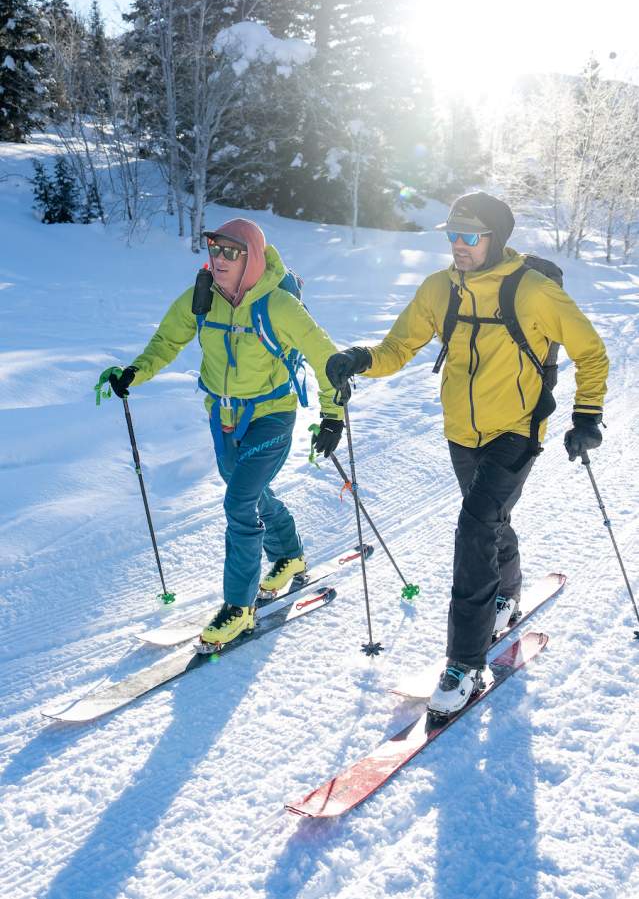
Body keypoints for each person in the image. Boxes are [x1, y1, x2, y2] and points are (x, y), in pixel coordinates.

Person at [325, 191, 608, 716]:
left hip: (517, 430)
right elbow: (398, 347)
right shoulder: (440, 289)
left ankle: (465, 663)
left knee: (474, 528)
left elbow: (591, 351)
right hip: (461, 431)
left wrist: (586, 416)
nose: (457, 245)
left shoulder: (533, 292)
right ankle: (508, 590)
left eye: (469, 236)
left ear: (495, 239)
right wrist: (360, 358)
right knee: (490, 521)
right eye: (452, 235)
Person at [101, 218, 343, 648]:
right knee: (248, 491)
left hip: (271, 416)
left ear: (251, 256)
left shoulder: (279, 306)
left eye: (231, 252)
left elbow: (327, 358)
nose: (219, 259)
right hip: (223, 417)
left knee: (239, 501)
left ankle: (240, 607)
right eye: (214, 249)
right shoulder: (202, 297)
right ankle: (289, 555)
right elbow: (166, 341)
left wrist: (332, 415)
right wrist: (134, 373)